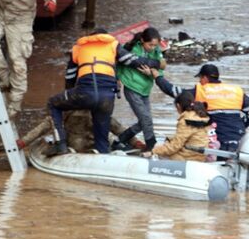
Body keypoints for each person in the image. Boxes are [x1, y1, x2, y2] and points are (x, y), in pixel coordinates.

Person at [45, 28, 163, 156]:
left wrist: (71, 99)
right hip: (107, 97)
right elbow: (134, 61)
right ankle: (103, 153)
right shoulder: (113, 45)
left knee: (52, 103)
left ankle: (60, 144)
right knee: (102, 138)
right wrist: (157, 63)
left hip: (84, 93)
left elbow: (70, 77)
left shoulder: (78, 48)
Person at [142, 63, 249, 152]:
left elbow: (173, 91)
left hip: (217, 138)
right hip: (237, 136)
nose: (200, 81)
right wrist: (241, 126)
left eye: (200, 78)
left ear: (204, 78)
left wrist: (157, 76)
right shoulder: (236, 90)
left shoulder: (201, 90)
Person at [113, 27, 166, 151]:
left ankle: (120, 140)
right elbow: (118, 64)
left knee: (145, 121)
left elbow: (162, 65)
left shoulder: (156, 50)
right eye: (150, 44)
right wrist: (118, 79)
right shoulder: (132, 49)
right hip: (132, 87)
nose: (152, 47)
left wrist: (151, 72)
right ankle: (151, 145)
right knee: (146, 119)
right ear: (142, 40)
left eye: (155, 45)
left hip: (145, 89)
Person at [141, 91, 210, 162]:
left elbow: (174, 147)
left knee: (158, 152)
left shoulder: (185, 121)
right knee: (165, 144)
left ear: (178, 106)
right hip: (200, 155)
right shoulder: (200, 116)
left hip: (189, 157)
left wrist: (153, 152)